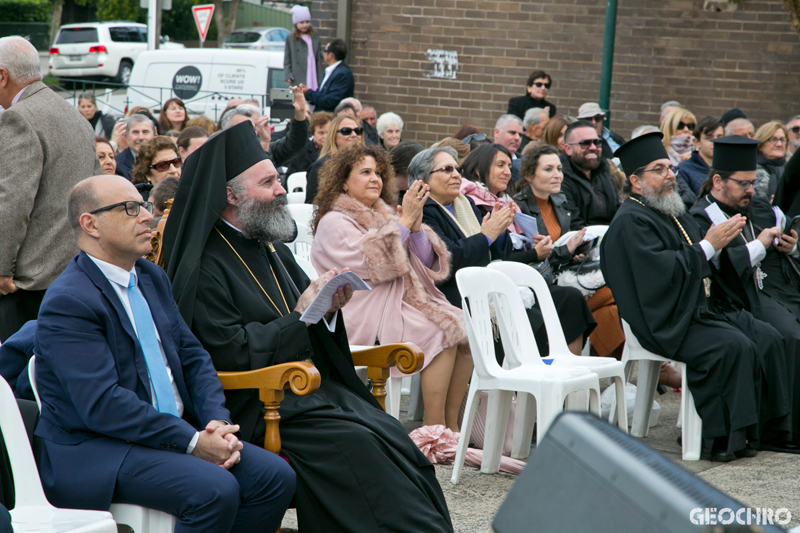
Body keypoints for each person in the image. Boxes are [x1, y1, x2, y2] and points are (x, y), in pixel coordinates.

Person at [161, 122, 454, 533]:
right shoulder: (205, 263)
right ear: (231, 195)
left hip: (306, 391)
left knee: (393, 436)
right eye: (268, 182)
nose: (281, 189)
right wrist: (300, 318)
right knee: (360, 447)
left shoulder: (268, 244)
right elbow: (227, 352)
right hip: (260, 404)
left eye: (278, 179)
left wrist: (330, 306)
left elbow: (307, 314)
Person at [35, 174, 295, 530]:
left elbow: (193, 356)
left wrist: (215, 422)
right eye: (130, 209)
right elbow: (102, 404)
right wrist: (192, 442)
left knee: (274, 476)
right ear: (90, 224)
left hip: (167, 434)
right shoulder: (70, 300)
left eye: (143, 205)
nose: (146, 216)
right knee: (214, 490)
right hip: (101, 447)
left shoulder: (150, 277)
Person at [603, 131, 792, 461]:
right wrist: (710, 245)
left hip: (693, 308)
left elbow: (701, 260)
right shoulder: (630, 221)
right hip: (663, 319)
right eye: (659, 170)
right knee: (733, 347)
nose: (670, 176)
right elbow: (660, 272)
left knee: (763, 335)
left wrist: (718, 249)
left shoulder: (669, 211)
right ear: (635, 181)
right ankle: (716, 439)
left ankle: (764, 432)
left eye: (670, 168)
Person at [310, 143, 470, 432]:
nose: (375, 178)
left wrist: (417, 226)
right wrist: (405, 222)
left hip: (398, 301)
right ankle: (433, 426)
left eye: (379, 173)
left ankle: (451, 424)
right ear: (344, 182)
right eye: (365, 172)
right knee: (440, 330)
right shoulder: (333, 221)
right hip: (359, 306)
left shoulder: (384, 215)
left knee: (465, 329)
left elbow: (424, 262)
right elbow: (369, 265)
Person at [691, 137, 800, 446]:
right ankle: (781, 430)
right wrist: (760, 245)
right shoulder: (703, 216)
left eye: (753, 183)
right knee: (788, 337)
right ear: (717, 181)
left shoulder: (758, 207)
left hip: (770, 288)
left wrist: (791, 247)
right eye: (743, 184)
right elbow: (719, 267)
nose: (750, 191)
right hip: (732, 298)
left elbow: (783, 232)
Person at [0, 36, 102, 341]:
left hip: (29, 281)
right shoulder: (74, 115)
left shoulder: (18, 117)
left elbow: (13, 200)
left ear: (2, 76)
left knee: (20, 377)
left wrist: (2, 267)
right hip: (76, 269)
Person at [461, 144, 597, 356]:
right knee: (561, 305)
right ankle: (538, 377)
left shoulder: (508, 203)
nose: (507, 171)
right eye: (500, 165)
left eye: (508, 164)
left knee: (573, 299)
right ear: (479, 170)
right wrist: (536, 253)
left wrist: (567, 250)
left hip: (531, 275)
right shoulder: (474, 203)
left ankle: (569, 372)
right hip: (502, 285)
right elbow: (494, 256)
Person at [514, 145, 625, 360]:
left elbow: (560, 245)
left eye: (559, 168)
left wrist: (576, 250)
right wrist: (565, 251)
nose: (557, 175)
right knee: (615, 294)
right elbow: (533, 259)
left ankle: (593, 367)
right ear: (529, 175)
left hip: (563, 274)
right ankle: (592, 368)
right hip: (539, 284)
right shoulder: (519, 208)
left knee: (612, 305)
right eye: (548, 169)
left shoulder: (559, 200)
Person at [417, 146, 516, 310]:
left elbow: (499, 254)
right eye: (447, 169)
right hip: (454, 297)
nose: (456, 175)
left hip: (487, 285)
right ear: (424, 179)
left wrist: (500, 230)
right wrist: (486, 236)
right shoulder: (423, 211)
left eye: (458, 169)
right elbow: (449, 258)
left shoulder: (466, 203)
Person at [221, 88, 309, 168]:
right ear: (225, 131)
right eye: (241, 128)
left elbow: (295, 143)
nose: (248, 132)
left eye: (254, 127)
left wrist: (299, 113)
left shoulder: (263, 147)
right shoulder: (219, 157)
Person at [560, 120, 619, 230]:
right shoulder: (559, 176)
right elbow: (573, 224)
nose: (593, 147)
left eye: (597, 142)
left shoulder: (604, 169)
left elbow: (616, 211)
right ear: (568, 149)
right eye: (585, 143)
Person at [304, 114, 363, 203]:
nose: (354, 135)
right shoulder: (320, 166)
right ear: (333, 136)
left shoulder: (370, 163)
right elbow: (312, 206)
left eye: (358, 130)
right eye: (346, 131)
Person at [300, 38, 354, 113]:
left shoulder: (342, 74)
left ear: (331, 55)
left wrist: (308, 93)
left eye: (325, 51)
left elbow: (330, 100)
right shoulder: (332, 71)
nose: (323, 54)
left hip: (330, 119)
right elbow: (322, 95)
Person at [676, 117, 724, 195]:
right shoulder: (684, 170)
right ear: (696, 142)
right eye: (709, 138)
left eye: (720, 137)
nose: (715, 141)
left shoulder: (731, 168)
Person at [283, 5, 324, 89]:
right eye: (301, 23)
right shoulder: (291, 38)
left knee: (313, 90)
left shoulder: (314, 35)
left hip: (313, 68)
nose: (305, 25)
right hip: (299, 73)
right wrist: (288, 74)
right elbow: (287, 59)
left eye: (307, 22)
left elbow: (319, 53)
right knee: (301, 92)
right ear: (296, 23)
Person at [131, 136, 181, 201]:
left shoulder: (192, 194)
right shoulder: (140, 204)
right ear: (147, 174)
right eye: (163, 165)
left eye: (175, 162)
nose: (173, 170)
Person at [286, 111, 333, 177]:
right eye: (321, 133)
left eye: (328, 133)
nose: (325, 136)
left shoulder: (338, 150)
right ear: (313, 133)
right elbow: (289, 178)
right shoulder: (301, 153)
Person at [752, 120, 789, 199]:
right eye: (773, 139)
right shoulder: (751, 171)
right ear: (761, 144)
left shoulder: (791, 170)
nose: (779, 144)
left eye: (782, 140)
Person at [116, 114, 156, 180]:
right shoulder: (117, 164)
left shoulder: (162, 161)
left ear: (155, 135)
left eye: (145, 132)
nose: (141, 137)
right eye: (135, 132)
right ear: (126, 137)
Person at [493, 114, 524, 182]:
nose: (517, 138)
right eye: (512, 133)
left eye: (520, 135)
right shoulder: (483, 159)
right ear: (497, 132)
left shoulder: (526, 163)